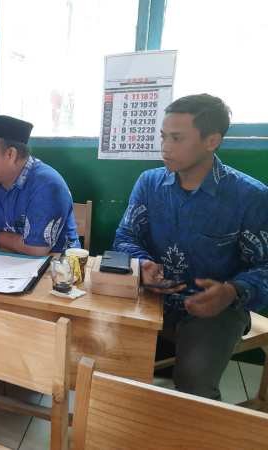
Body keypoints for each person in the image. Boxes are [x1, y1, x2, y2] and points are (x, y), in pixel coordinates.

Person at [114, 94, 268, 399]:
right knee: (104, 351)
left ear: (212, 141)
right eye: (163, 136)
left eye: (177, 138)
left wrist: (232, 291)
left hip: (215, 308)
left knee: (194, 384)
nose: (165, 146)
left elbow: (265, 265)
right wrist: (143, 265)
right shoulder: (149, 183)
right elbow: (125, 237)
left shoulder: (250, 197)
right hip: (152, 296)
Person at [0, 114, 79, 255]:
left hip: (57, 266)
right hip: (3, 263)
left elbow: (36, 249)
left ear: (10, 154)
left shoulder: (47, 185)